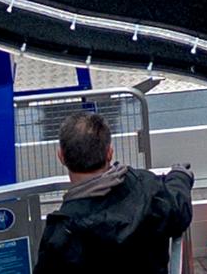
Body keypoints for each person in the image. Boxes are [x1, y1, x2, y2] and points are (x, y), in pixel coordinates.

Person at [34, 111, 193, 272]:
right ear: (109, 153)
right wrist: (180, 177)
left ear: (61, 156)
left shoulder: (62, 233)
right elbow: (178, 209)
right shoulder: (145, 187)